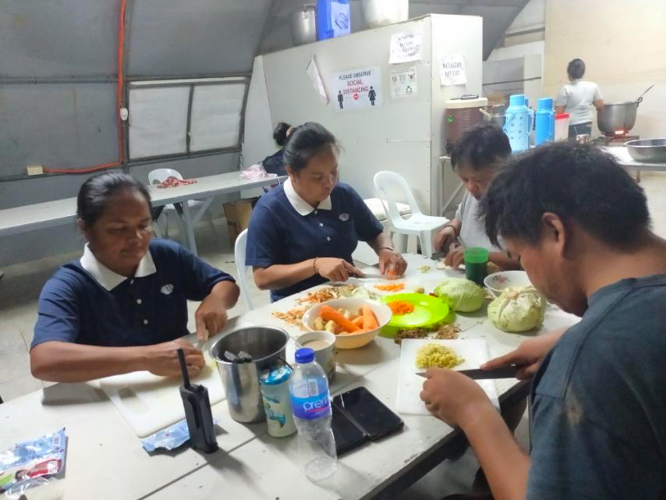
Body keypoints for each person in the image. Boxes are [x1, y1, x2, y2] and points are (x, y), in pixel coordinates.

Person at [421, 143, 666, 500]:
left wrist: (473, 411)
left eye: (519, 257)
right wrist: (575, 334)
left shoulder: (587, 365)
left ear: (554, 231)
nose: (529, 277)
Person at [30, 173, 240, 383]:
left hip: (180, 377)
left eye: (143, 225)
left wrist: (216, 300)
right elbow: (43, 360)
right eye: (119, 229)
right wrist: (146, 357)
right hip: (116, 393)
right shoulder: (68, 286)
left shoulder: (165, 255)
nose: (136, 239)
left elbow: (226, 285)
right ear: (86, 229)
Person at [246, 122, 407, 302]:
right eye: (317, 177)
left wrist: (385, 249)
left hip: (348, 293)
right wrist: (315, 265)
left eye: (334, 171)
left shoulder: (343, 194)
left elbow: (375, 233)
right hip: (295, 303)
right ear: (292, 172)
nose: (329, 182)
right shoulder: (269, 210)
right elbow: (262, 278)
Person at [433, 124, 520, 270]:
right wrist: (451, 228)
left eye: (480, 180)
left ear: (504, 168)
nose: (470, 187)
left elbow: (525, 261)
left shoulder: (519, 202)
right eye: (464, 179)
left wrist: (481, 257)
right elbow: (460, 218)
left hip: (503, 283)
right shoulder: (474, 191)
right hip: (470, 274)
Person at [555, 58, 604, 140]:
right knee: (583, 147)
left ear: (569, 73)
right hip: (587, 123)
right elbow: (600, 105)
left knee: (573, 150)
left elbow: (559, 112)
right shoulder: (593, 86)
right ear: (583, 72)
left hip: (572, 125)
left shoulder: (566, 88)